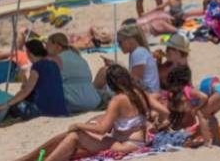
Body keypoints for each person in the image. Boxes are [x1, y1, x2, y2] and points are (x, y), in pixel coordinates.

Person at [16, 65, 169, 161]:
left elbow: (102, 129)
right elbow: (164, 112)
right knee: (68, 137)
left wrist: (78, 124)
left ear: (111, 84)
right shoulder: (140, 93)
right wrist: (156, 125)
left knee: (74, 136)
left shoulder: (118, 100)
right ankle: (27, 159)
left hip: (124, 145)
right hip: (135, 142)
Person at [0, 39, 68, 120]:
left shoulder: (37, 67)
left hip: (44, 112)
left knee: (14, 106)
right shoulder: (53, 64)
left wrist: (4, 105)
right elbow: (34, 88)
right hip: (61, 110)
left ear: (29, 53)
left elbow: (25, 91)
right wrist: (24, 79)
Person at [165, 66, 220, 147]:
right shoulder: (189, 92)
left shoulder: (187, 90)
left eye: (182, 108)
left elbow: (204, 97)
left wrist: (196, 108)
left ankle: (207, 141)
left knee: (201, 114)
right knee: (210, 115)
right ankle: (217, 140)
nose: (185, 110)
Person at [94, 24, 160, 93]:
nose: (119, 46)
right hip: (145, 90)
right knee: (106, 74)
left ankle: (91, 96)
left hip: (147, 93)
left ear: (130, 40)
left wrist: (117, 67)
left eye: (120, 42)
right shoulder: (138, 52)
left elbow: (135, 80)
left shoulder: (138, 53)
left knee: (104, 72)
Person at [46, 33, 101, 113]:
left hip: (73, 103)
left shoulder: (55, 61)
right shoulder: (80, 58)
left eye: (48, 45)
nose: (46, 48)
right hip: (93, 101)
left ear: (57, 46)